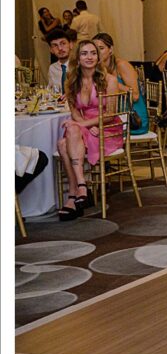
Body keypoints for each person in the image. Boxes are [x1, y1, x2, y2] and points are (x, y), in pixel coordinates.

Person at [55, 40, 123, 221]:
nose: (89, 57)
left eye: (93, 53)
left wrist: (86, 125)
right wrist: (84, 125)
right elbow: (75, 113)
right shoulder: (70, 81)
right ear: (77, 58)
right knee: (64, 141)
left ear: (98, 57)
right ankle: (81, 187)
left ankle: (74, 194)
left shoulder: (109, 80)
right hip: (85, 125)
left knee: (64, 143)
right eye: (84, 53)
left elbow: (110, 114)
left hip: (107, 128)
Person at [94, 33, 149, 136]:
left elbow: (135, 96)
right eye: (95, 49)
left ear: (110, 50)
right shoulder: (97, 69)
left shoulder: (121, 65)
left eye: (101, 48)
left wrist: (110, 81)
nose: (97, 52)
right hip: (112, 114)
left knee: (94, 132)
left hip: (132, 119)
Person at [45, 30, 72, 94]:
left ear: (71, 45)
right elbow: (50, 91)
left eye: (63, 43)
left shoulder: (80, 65)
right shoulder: (52, 68)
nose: (60, 48)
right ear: (51, 50)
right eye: (55, 45)